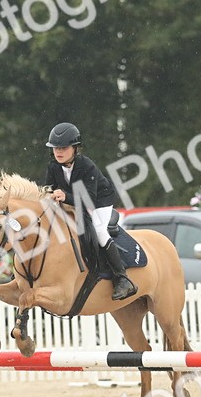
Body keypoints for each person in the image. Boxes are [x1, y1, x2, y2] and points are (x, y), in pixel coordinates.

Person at [43, 121, 137, 301]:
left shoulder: (87, 166)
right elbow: (48, 188)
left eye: (63, 148)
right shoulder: (53, 166)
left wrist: (65, 196)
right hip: (72, 201)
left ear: (75, 148)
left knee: (99, 230)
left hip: (100, 201)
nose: (58, 152)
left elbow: (89, 200)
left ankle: (123, 278)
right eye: (55, 148)